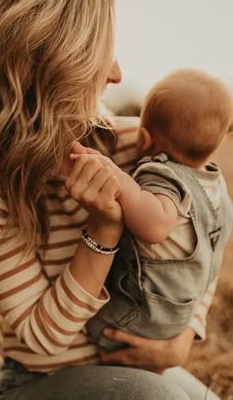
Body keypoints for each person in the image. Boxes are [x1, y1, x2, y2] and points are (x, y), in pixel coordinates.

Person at [0, 0, 219, 399]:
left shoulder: (139, 144)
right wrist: (102, 229)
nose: (116, 73)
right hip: (36, 381)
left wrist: (185, 334)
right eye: (104, 53)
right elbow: (43, 340)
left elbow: (210, 219)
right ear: (60, 67)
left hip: (126, 369)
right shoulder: (2, 193)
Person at [84, 69, 233, 350]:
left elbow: (155, 225)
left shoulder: (161, 175)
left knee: (89, 321)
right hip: (178, 318)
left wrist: (120, 180)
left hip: (136, 317)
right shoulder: (215, 188)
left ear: (144, 140)